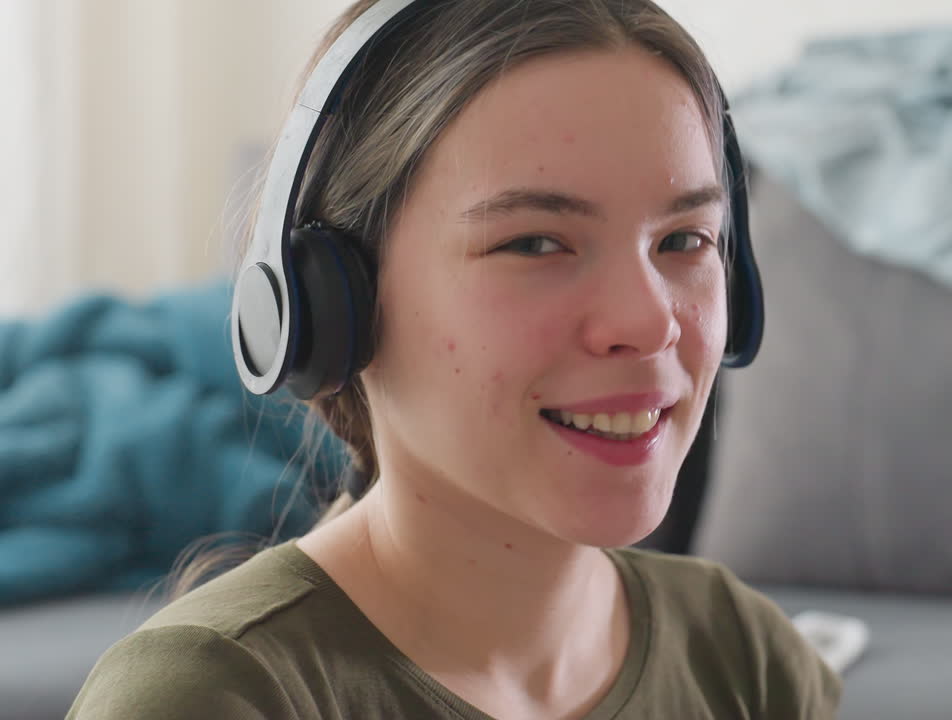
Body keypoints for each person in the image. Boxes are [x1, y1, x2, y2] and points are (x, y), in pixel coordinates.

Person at [68, 1, 842, 718]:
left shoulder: (747, 657)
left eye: (685, 241)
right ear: (331, 303)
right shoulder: (209, 696)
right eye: (535, 242)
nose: (648, 322)